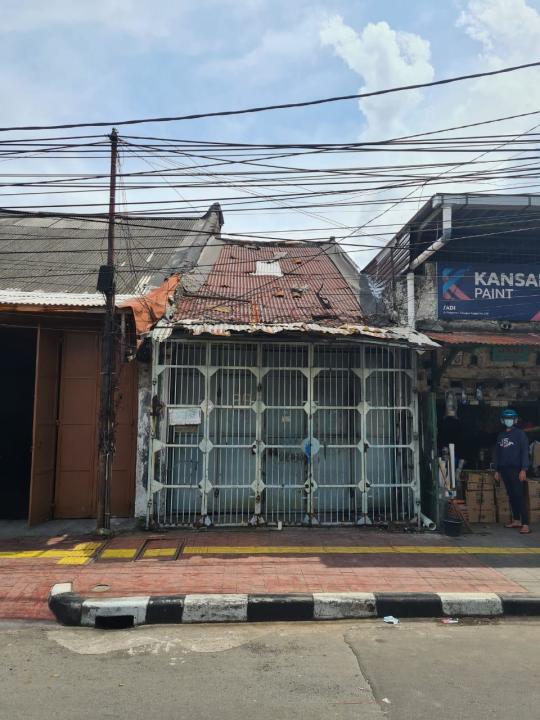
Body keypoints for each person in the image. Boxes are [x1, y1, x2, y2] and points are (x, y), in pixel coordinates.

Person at [494, 408, 530, 534]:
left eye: (511, 418)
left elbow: (525, 452)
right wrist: (497, 470)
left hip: (516, 470)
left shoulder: (520, 434)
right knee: (511, 495)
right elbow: (497, 454)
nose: (508, 421)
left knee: (519, 495)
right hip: (504, 470)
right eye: (506, 418)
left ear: (515, 420)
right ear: (502, 420)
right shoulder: (501, 436)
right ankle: (516, 520)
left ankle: (525, 524)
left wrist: (524, 469)